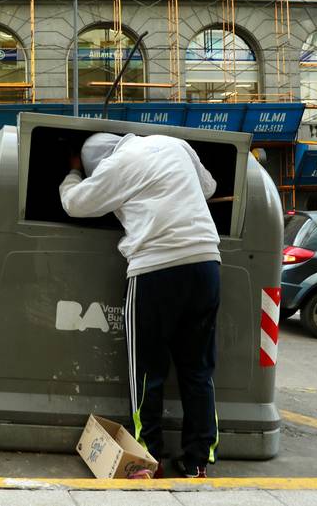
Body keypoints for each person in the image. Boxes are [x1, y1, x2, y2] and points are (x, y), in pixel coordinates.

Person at [59, 132, 221, 479]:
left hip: (155, 269)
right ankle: (197, 461)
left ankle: (148, 457)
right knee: (198, 368)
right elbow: (208, 188)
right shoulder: (174, 143)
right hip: (207, 262)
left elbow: (75, 204)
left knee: (147, 371)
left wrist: (74, 172)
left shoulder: (114, 166)